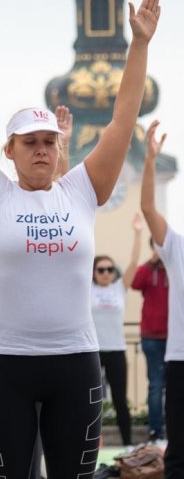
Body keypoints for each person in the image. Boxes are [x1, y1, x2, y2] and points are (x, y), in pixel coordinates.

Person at [0, 0, 160, 477]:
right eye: (29, 140)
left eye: (49, 141)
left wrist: (139, 44)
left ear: (61, 148)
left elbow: (123, 121)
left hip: (75, 364)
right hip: (2, 366)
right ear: (8, 150)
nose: (40, 148)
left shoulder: (81, 189)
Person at [140, 121, 182, 476]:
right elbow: (149, 209)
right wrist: (150, 161)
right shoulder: (176, 247)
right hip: (180, 358)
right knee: (179, 452)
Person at [91, 215, 142, 447]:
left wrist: (138, 233)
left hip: (116, 350)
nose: (105, 273)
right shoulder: (86, 288)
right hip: (92, 351)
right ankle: (88, 444)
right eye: (101, 269)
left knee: (120, 400)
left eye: (110, 269)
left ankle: (128, 444)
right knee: (90, 401)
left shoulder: (119, 288)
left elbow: (133, 262)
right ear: (93, 272)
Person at [131, 232, 169, 442]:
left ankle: (173, 428)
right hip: (151, 337)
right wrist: (152, 261)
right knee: (155, 385)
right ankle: (156, 430)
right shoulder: (147, 270)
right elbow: (135, 283)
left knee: (174, 385)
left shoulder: (176, 268)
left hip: (175, 338)